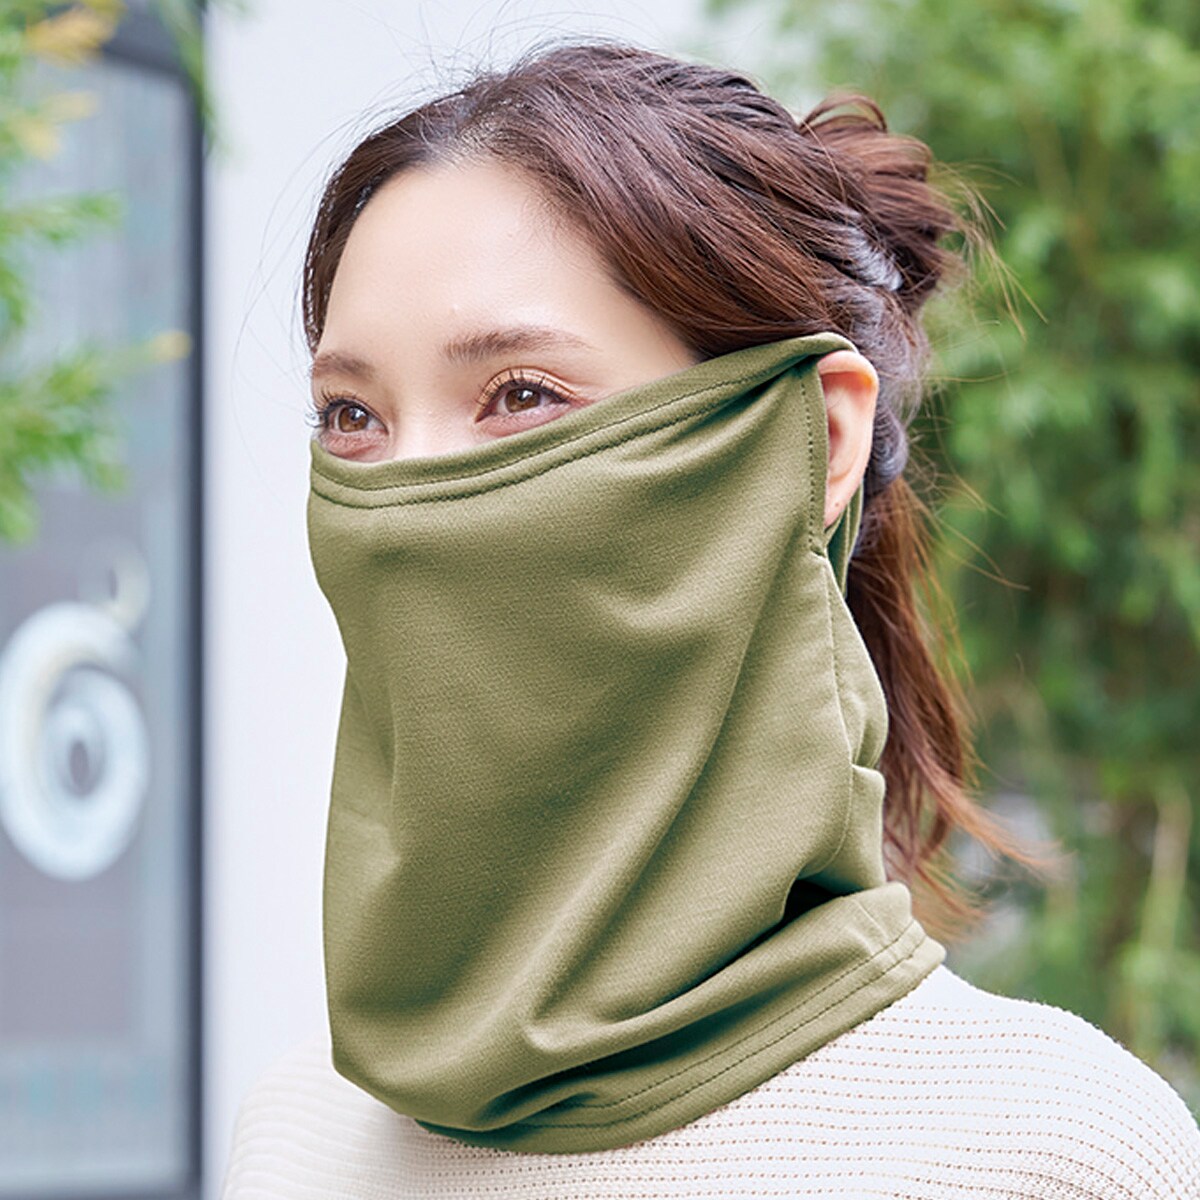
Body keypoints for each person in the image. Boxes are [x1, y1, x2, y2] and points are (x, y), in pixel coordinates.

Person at [220, 40, 1200, 1199]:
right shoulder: (297, 1131)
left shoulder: (1050, 1150)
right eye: (352, 416)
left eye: (522, 394)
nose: (407, 498)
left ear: (815, 439)